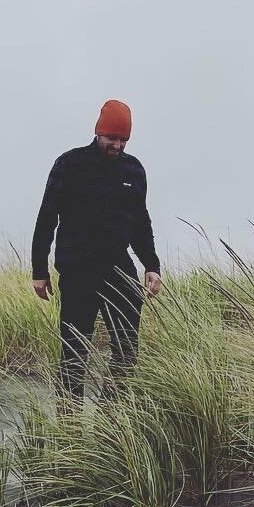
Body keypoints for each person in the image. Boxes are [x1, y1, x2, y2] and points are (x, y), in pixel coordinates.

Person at [31, 99, 163, 401]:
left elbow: (140, 223)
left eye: (122, 139)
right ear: (98, 133)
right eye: (111, 138)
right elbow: (47, 217)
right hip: (78, 271)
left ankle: (110, 418)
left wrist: (151, 265)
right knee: (74, 352)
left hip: (119, 270)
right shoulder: (69, 164)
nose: (116, 145)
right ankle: (70, 424)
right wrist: (39, 270)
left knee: (127, 350)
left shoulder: (134, 170)